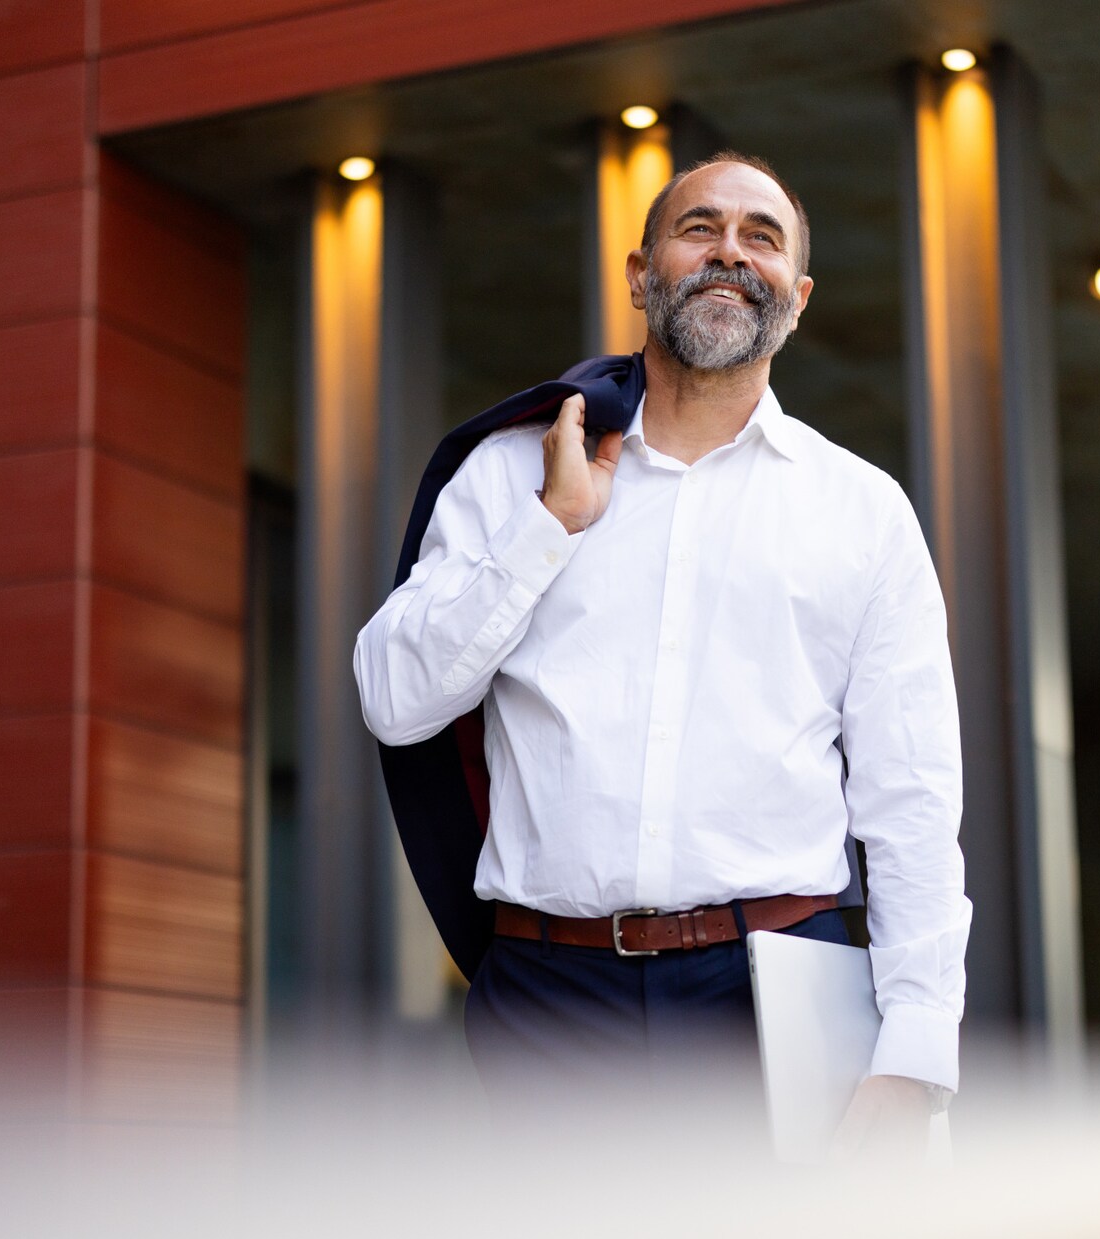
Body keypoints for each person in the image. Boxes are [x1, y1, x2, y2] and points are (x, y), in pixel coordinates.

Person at [353, 153, 969, 1159]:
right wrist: (547, 527)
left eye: (761, 237)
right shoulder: (511, 473)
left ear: (797, 298)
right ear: (641, 275)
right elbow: (394, 700)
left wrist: (914, 1049)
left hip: (773, 999)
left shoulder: (861, 511)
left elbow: (912, 802)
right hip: (548, 1001)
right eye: (699, 227)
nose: (730, 252)